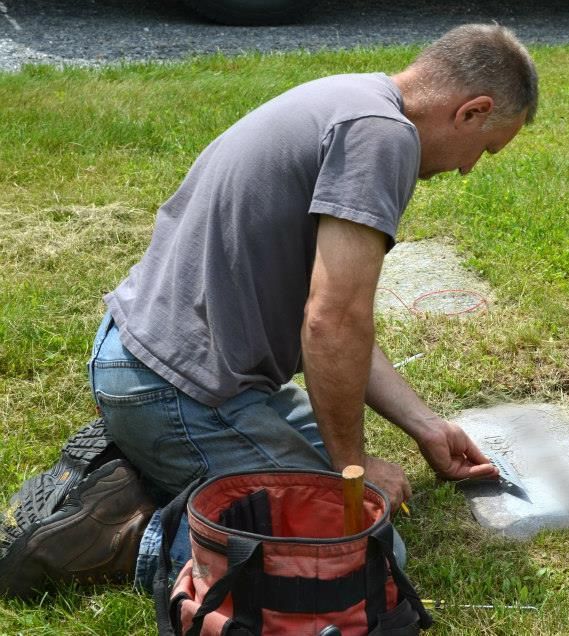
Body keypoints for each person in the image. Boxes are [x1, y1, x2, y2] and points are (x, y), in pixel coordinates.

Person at [0, 23, 538, 597]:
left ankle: (153, 476)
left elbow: (337, 327)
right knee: (358, 561)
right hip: (179, 391)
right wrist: (350, 470)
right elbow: (333, 322)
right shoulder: (383, 137)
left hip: (149, 360)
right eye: (486, 149)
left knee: (332, 506)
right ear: (472, 111)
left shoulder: (356, 98)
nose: (468, 169)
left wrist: (427, 428)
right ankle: (133, 538)